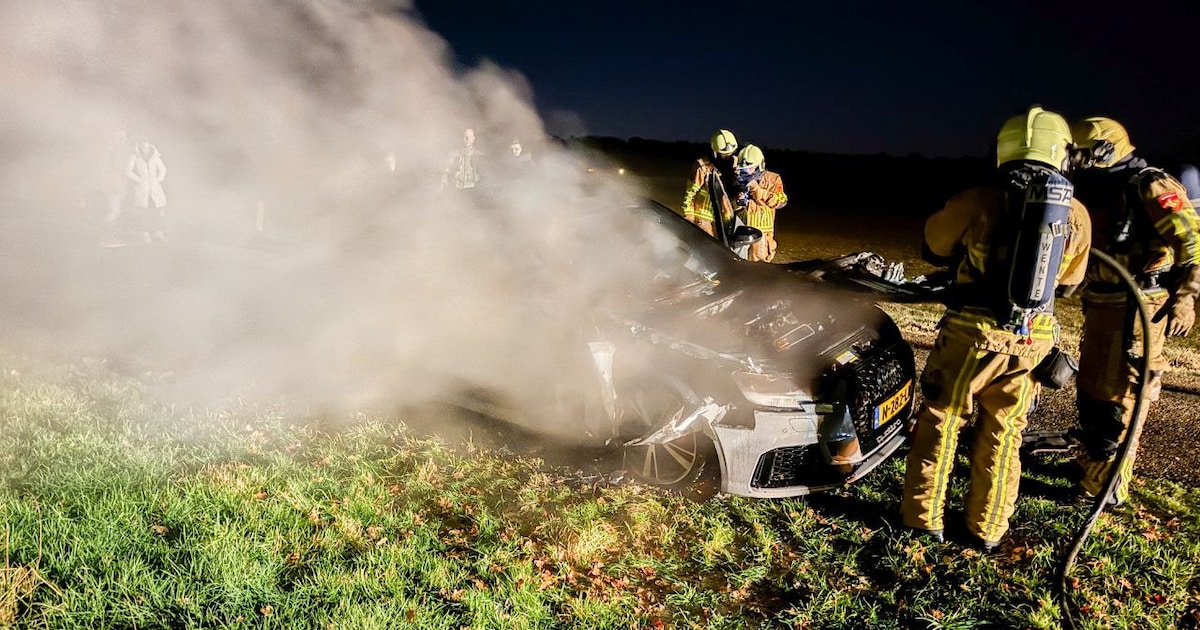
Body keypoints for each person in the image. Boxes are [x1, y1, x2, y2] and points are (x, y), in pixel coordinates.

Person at [901, 106, 1091, 550]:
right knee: (1005, 433)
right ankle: (987, 530)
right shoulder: (1077, 213)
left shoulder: (979, 199)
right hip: (1032, 338)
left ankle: (923, 519)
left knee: (943, 420)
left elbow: (934, 244)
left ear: (1004, 149)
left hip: (973, 333)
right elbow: (1070, 283)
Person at [1068, 117, 1200, 505]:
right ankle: (1095, 470)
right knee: (1092, 394)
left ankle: (1107, 489)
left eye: (1083, 152)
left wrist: (1186, 298)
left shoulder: (1150, 184)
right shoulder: (1104, 187)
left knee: (1121, 397)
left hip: (1139, 309)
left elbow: (1192, 241)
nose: (1077, 160)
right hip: (1104, 304)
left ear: (1106, 149)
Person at [732, 144, 787, 262]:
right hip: (741, 230)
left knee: (759, 269)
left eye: (750, 167)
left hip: (762, 234)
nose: (746, 171)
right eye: (742, 169)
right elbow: (728, 206)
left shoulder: (773, 179)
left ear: (759, 166)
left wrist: (756, 189)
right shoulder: (737, 180)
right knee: (737, 263)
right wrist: (738, 202)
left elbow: (781, 201)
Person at [681, 129, 739, 237]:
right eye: (724, 155)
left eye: (730, 154)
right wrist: (688, 216)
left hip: (725, 220)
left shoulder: (736, 164)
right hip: (703, 217)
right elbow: (690, 193)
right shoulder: (702, 166)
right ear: (715, 152)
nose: (728, 157)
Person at [126, 138, 168, 242]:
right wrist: (139, 180)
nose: (146, 149)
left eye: (148, 147)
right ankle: (145, 234)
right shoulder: (135, 157)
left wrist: (158, 179)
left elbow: (163, 169)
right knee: (144, 212)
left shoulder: (155, 157)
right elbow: (128, 171)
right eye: (144, 147)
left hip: (155, 188)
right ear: (140, 147)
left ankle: (159, 233)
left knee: (157, 211)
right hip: (142, 189)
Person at [96, 129, 132, 247]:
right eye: (120, 136)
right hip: (113, 185)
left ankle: (111, 237)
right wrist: (117, 183)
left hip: (116, 185)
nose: (123, 139)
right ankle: (106, 238)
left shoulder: (115, 151)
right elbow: (115, 169)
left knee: (115, 212)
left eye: (124, 137)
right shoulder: (113, 151)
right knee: (113, 212)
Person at [440, 127, 482, 192]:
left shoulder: (479, 155)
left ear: (474, 138)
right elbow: (446, 171)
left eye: (470, 136)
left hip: (475, 191)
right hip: (457, 190)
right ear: (462, 138)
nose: (467, 139)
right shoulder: (453, 154)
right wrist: (443, 181)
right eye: (465, 136)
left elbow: (484, 175)